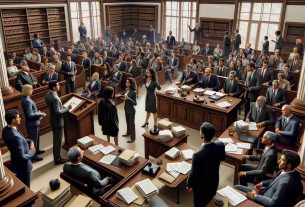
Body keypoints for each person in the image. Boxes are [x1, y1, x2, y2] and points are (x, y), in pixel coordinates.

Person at [235, 150, 303, 207]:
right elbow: (275, 181)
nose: (279, 161)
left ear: (289, 165)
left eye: (282, 160)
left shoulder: (285, 184)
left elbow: (274, 203)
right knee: (237, 187)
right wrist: (262, 183)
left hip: (264, 201)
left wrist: (255, 196)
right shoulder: (292, 172)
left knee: (236, 189)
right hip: (264, 192)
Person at [187, 122, 225, 207]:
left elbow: (194, 174)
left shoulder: (197, 155)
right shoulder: (220, 145)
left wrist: (189, 185)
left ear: (203, 135)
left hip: (201, 189)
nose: (199, 132)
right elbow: (222, 158)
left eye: (200, 131)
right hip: (214, 183)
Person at [2, 109, 36, 187]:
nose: (20, 118)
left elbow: (17, 142)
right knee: (26, 186)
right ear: (13, 120)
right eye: (18, 117)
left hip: (15, 162)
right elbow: (22, 157)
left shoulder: (5, 130)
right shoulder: (16, 137)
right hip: (23, 167)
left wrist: (27, 141)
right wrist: (32, 150)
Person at [45, 81, 71, 165]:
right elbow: (58, 112)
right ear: (53, 87)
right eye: (57, 85)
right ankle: (57, 159)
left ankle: (56, 157)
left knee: (56, 140)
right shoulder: (55, 98)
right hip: (58, 122)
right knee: (58, 141)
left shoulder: (48, 94)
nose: (59, 86)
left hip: (53, 120)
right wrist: (67, 108)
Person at [21, 84, 46, 162]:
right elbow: (29, 115)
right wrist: (40, 114)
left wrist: (37, 112)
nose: (32, 90)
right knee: (33, 141)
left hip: (34, 123)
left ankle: (37, 151)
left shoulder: (27, 98)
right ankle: (33, 157)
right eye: (31, 89)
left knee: (36, 139)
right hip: (32, 124)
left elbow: (32, 111)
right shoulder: (27, 101)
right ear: (27, 90)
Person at [122, 78, 137, 143]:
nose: (126, 83)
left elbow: (135, 103)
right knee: (127, 122)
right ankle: (128, 133)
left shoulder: (134, 92)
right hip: (126, 109)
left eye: (128, 82)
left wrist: (129, 99)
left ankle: (133, 138)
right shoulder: (126, 90)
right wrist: (121, 96)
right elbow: (125, 98)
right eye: (126, 82)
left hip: (131, 110)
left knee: (131, 124)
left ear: (131, 84)